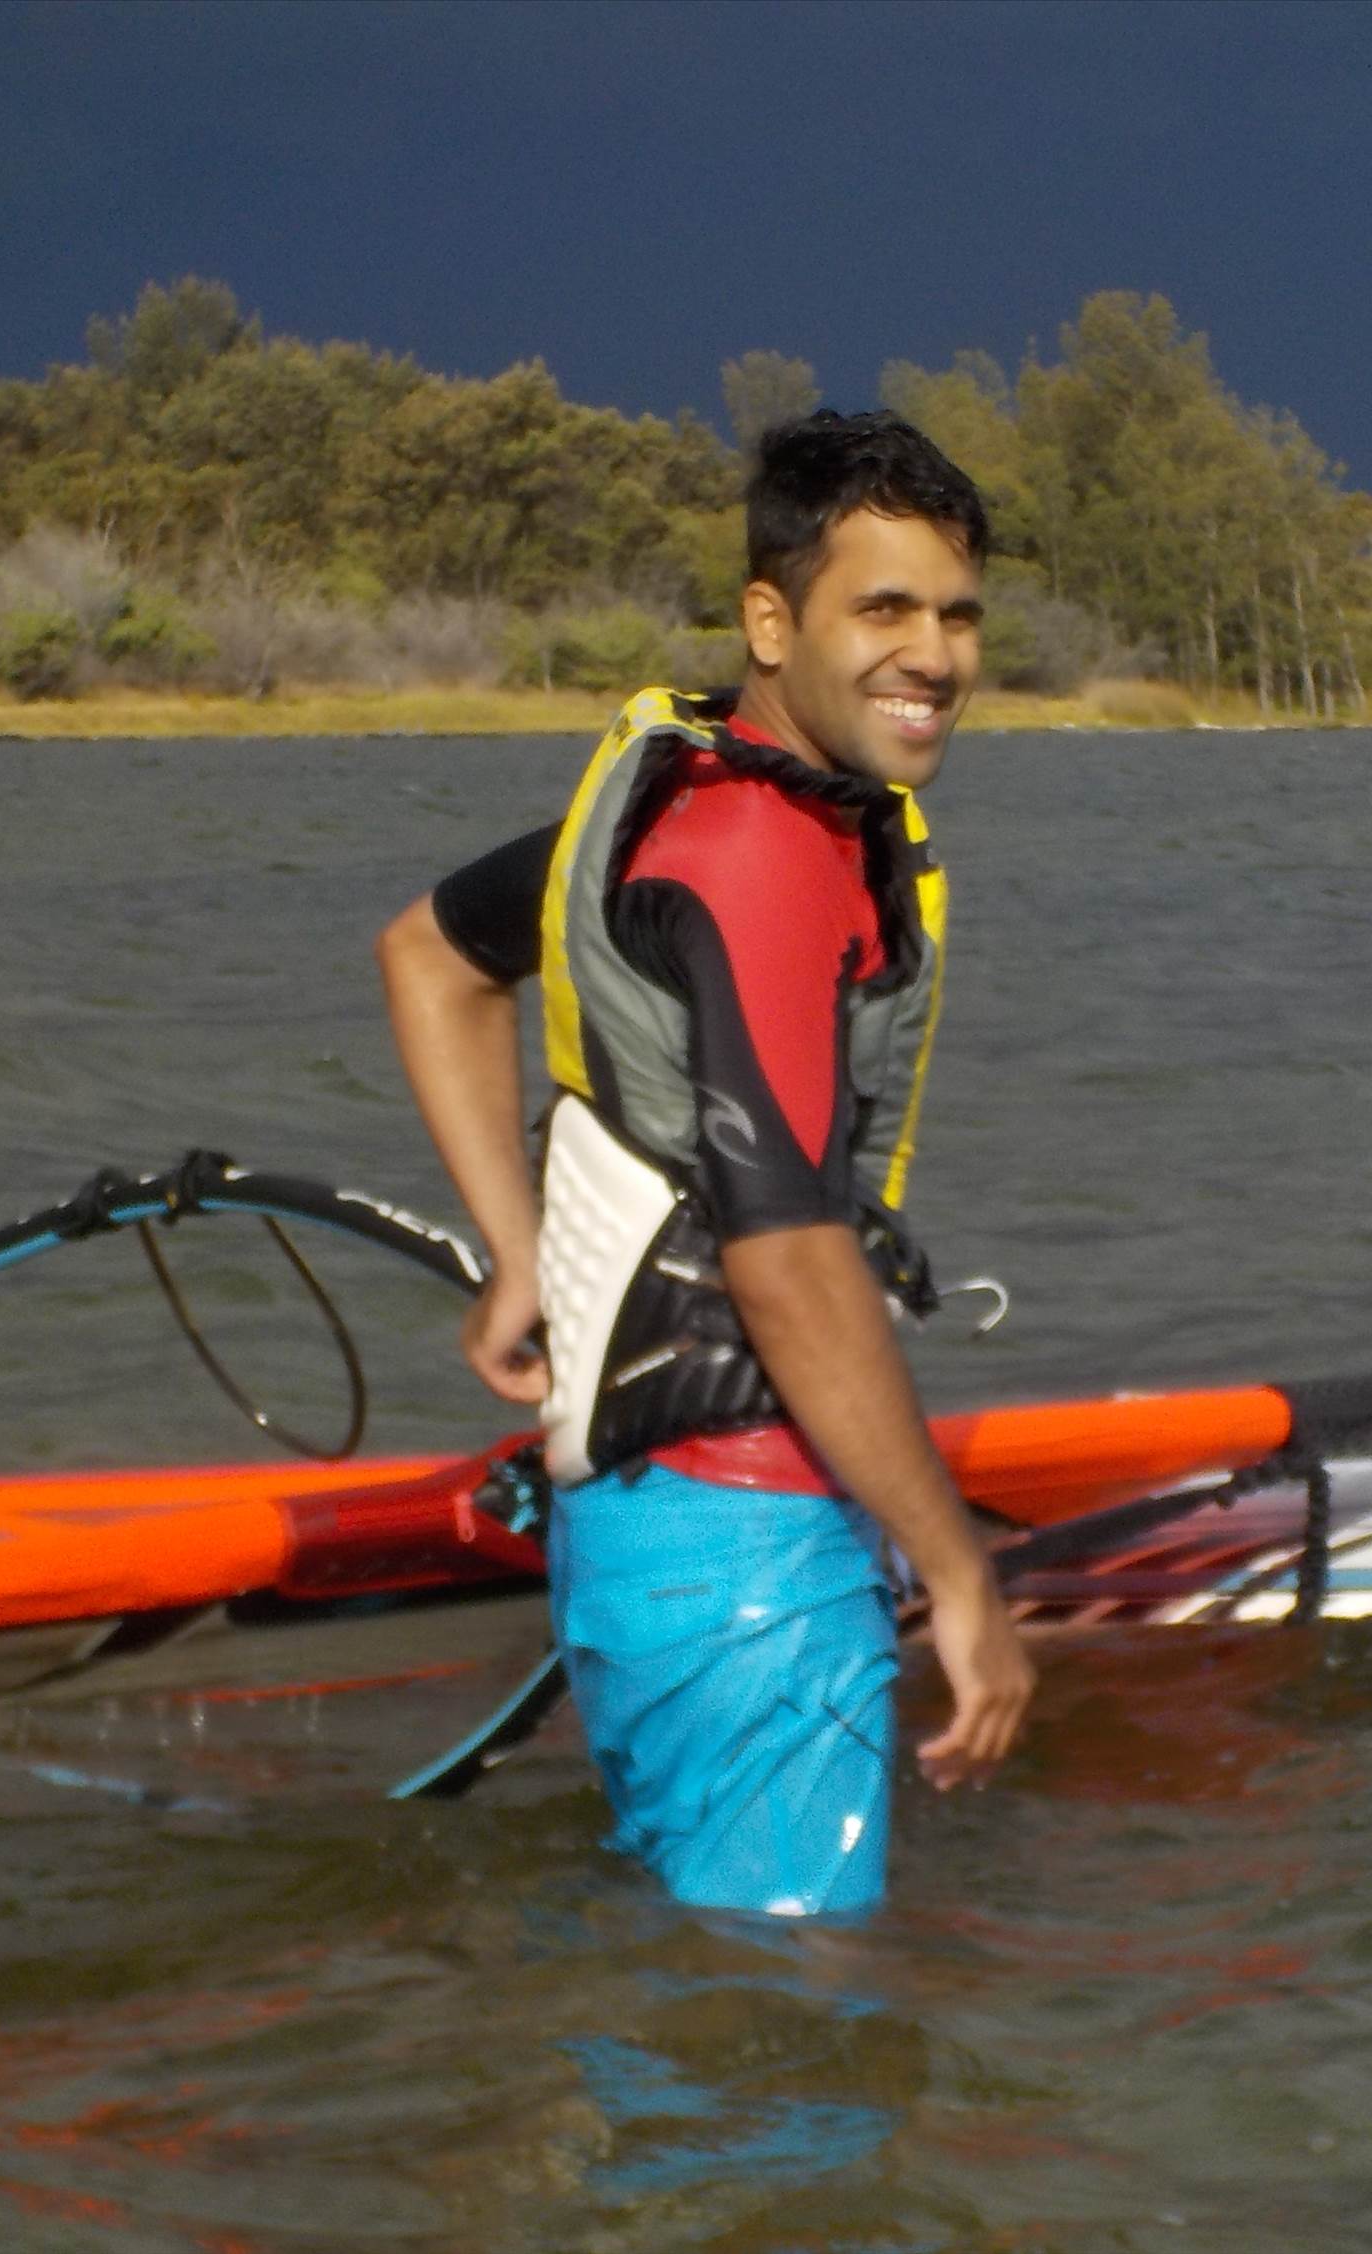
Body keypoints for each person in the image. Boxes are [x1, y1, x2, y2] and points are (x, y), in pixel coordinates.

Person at [376, 410, 1034, 1917]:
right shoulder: (760, 860)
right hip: (747, 1556)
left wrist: (522, 1251)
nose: (932, 654)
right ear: (769, 622)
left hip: (645, 1536)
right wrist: (957, 1572)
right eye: (882, 609)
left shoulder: (688, 800)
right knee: (787, 2021)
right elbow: (784, 1256)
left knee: (702, 1995)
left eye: (957, 615)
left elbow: (432, 955)